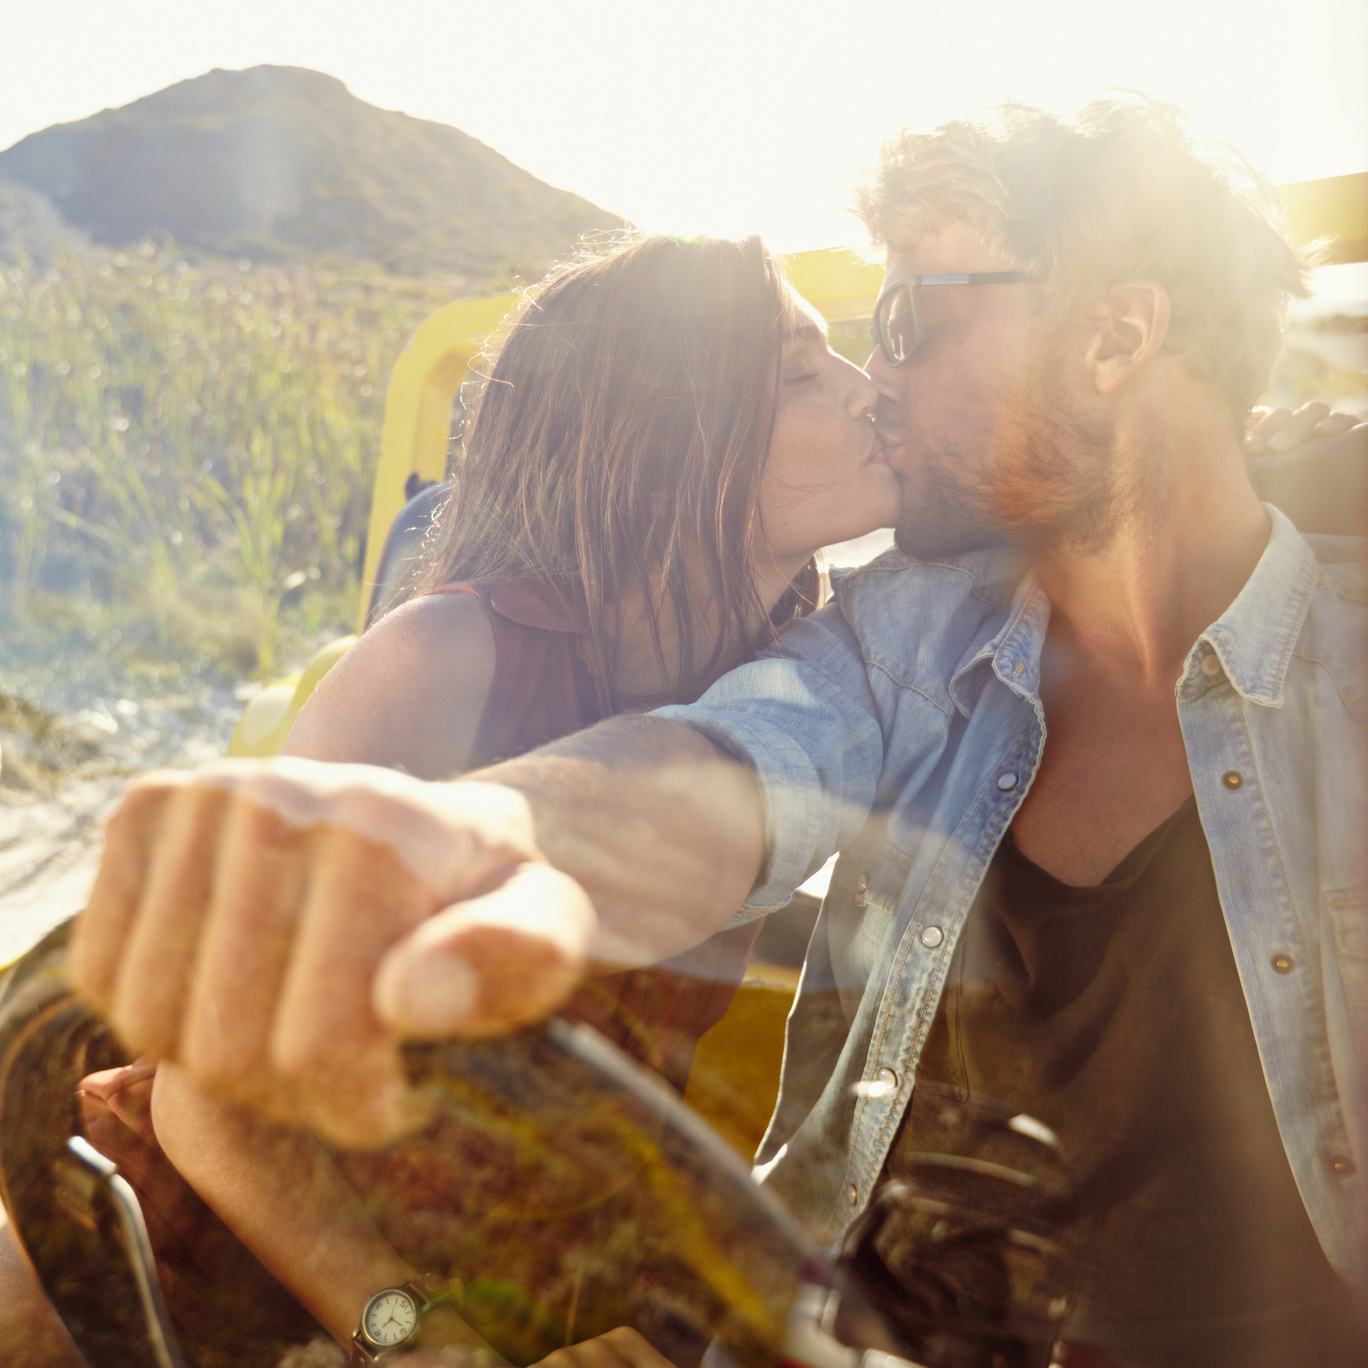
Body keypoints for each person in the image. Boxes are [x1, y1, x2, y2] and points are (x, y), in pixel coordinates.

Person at [41, 99, 1368, 1366]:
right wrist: (496, 823)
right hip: (208, 1277)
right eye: (830, 352)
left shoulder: (1323, 639)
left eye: (907, 319)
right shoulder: (893, 639)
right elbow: (731, 764)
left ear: (1114, 339)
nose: (876, 381)